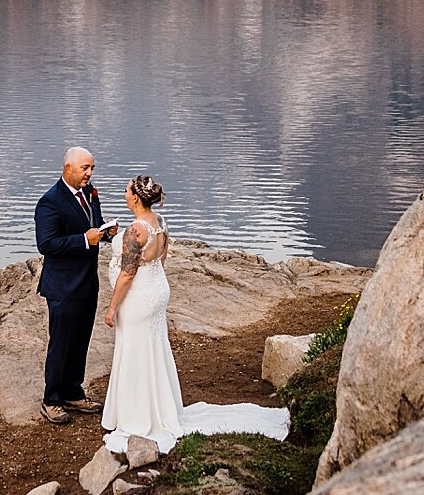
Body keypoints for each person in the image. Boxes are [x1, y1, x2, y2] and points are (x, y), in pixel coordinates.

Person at [100, 175, 288, 455]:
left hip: (138, 297)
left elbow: (127, 275)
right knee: (154, 347)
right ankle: (160, 408)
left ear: (136, 198)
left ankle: (139, 417)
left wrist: (112, 306)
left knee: (136, 350)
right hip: (157, 289)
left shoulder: (134, 231)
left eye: (127, 192)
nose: (125, 195)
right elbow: (160, 258)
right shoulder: (159, 222)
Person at [34, 146, 116, 426]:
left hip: (87, 283)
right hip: (62, 287)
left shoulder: (90, 195)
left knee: (81, 341)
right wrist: (84, 239)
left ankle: (73, 392)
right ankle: (51, 399)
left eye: (92, 168)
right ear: (68, 168)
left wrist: (105, 233)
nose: (89, 174)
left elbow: (93, 227)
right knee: (61, 343)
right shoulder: (50, 202)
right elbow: (46, 244)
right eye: (85, 168)